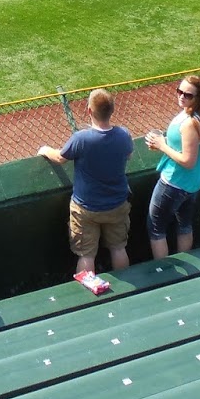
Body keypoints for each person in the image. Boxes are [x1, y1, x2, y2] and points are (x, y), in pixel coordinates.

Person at [39, 89, 134, 275]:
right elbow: (129, 155)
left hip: (86, 209)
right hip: (117, 204)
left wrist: (45, 149)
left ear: (89, 110)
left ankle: (86, 296)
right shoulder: (124, 135)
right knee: (118, 248)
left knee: (86, 255)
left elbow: (59, 158)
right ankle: (127, 296)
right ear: (112, 110)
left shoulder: (81, 139)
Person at [144, 75, 200, 260]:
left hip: (175, 184)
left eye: (188, 95)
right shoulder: (197, 116)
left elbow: (187, 161)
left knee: (156, 228)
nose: (182, 96)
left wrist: (162, 145)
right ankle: (185, 262)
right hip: (192, 183)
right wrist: (164, 143)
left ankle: (165, 271)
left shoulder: (190, 122)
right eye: (179, 91)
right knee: (185, 224)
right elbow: (185, 148)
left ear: (198, 98)